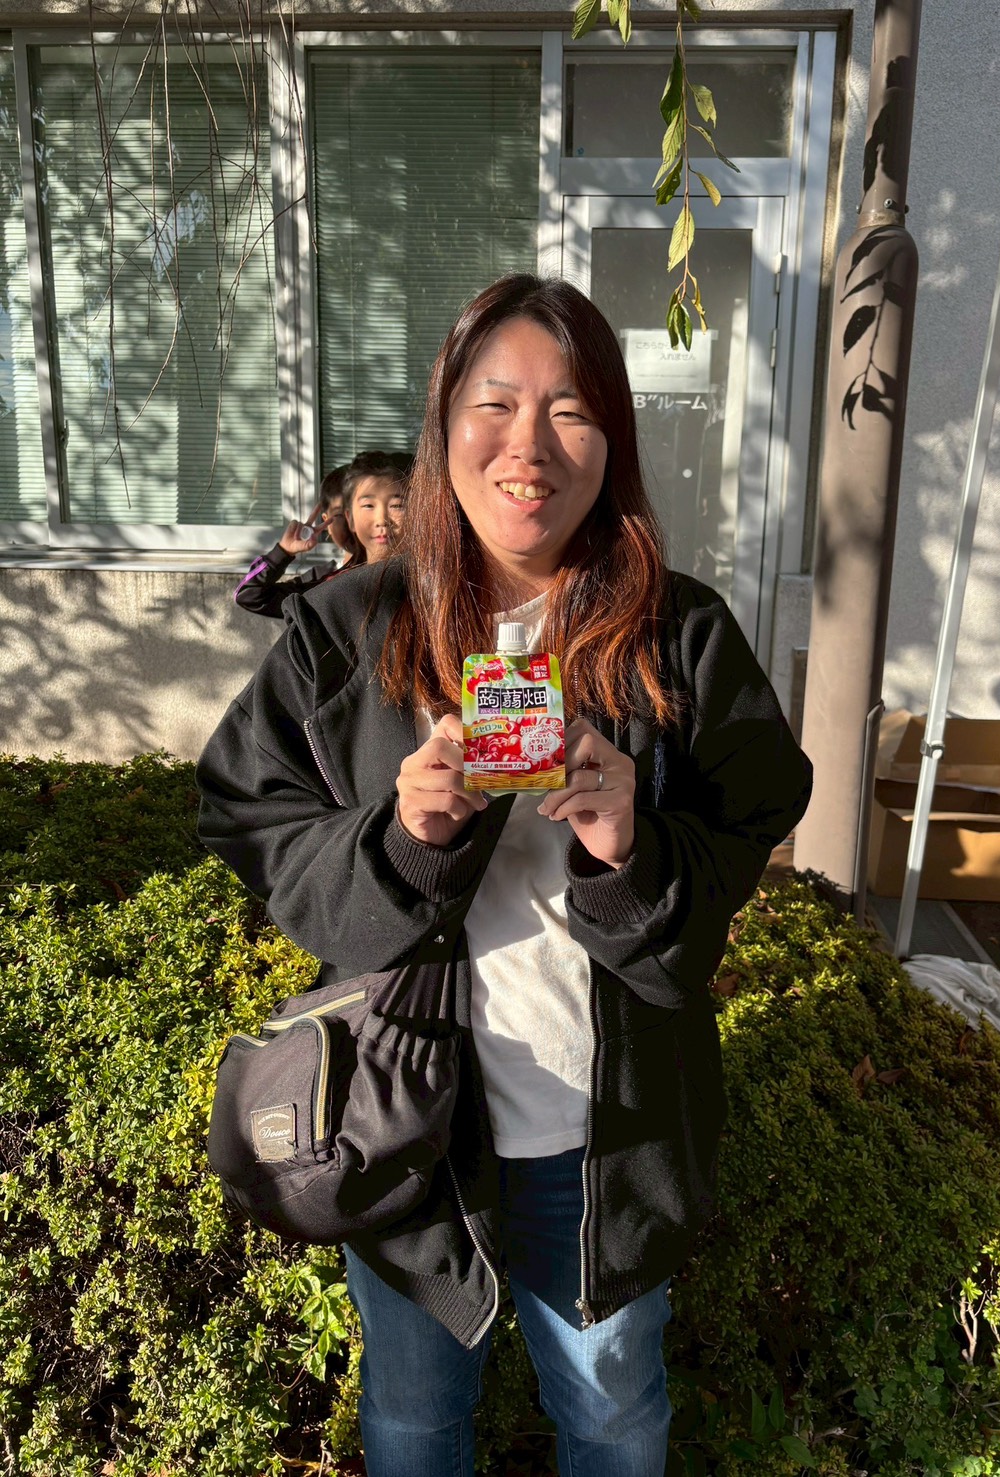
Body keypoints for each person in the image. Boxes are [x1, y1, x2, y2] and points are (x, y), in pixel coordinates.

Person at [196, 275, 812, 1476]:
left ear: (613, 442)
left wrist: (632, 845)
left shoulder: (679, 634)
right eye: (495, 404)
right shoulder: (347, 628)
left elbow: (753, 813)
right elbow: (245, 813)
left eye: (571, 410)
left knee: (614, 1420)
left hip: (604, 1132)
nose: (528, 444)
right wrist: (399, 838)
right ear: (444, 426)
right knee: (414, 1418)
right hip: (405, 1125)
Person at [233, 462, 356, 620]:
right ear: (327, 523)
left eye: (366, 508)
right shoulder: (319, 579)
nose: (353, 523)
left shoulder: (386, 572)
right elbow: (249, 596)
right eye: (341, 514)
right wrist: (283, 552)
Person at [340, 450, 412, 563]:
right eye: (368, 505)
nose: (382, 520)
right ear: (350, 518)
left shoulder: (435, 574)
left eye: (396, 505)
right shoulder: (336, 576)